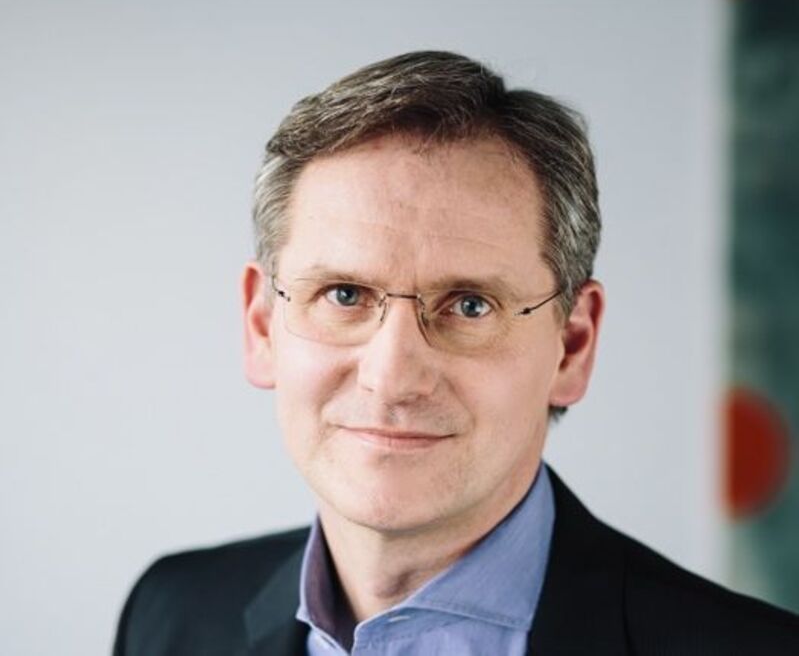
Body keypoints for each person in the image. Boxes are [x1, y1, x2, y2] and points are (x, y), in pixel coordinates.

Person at [114, 51, 799, 655]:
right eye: (344, 294)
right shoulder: (171, 614)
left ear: (572, 345)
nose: (391, 377)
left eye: (469, 305)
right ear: (262, 325)